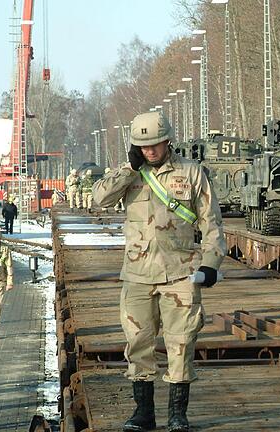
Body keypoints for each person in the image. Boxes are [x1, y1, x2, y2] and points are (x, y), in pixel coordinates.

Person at [92, 111, 226, 432]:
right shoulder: (131, 174)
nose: (149, 150)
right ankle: (144, 413)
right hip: (137, 275)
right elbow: (100, 198)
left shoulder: (191, 174)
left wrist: (210, 265)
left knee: (181, 344)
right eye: (142, 145)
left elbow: (212, 223)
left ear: (167, 140)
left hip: (180, 273)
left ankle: (178, 415)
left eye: (154, 144)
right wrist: (128, 169)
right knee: (138, 343)